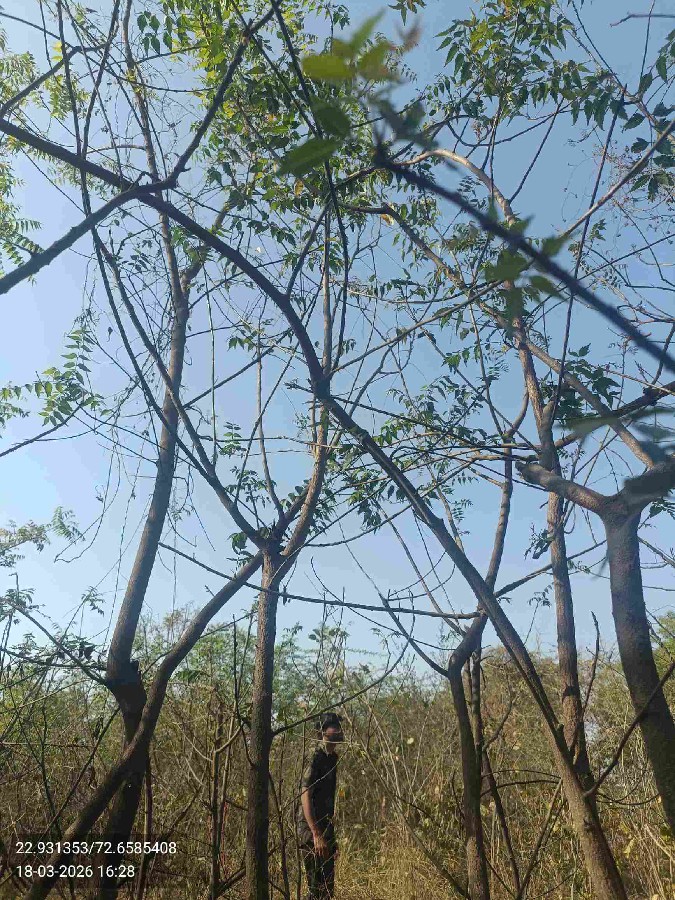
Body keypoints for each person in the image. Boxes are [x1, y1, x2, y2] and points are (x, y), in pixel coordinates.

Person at [296, 712, 344, 899]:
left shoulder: (332, 758)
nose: (338, 730)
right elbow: (305, 794)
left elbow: (327, 802)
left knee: (326, 890)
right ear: (323, 731)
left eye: (339, 726)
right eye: (334, 726)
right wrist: (316, 834)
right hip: (311, 831)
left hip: (325, 829)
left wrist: (331, 838)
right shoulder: (314, 756)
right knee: (316, 889)